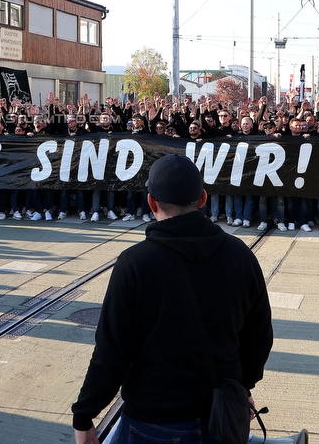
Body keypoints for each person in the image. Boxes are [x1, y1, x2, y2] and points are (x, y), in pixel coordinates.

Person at [71, 154, 273, 444]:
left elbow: (111, 351)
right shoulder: (240, 255)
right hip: (222, 415)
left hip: (153, 417)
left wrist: (84, 413)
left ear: (151, 202)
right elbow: (259, 337)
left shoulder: (135, 263)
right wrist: (241, 386)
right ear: (203, 199)